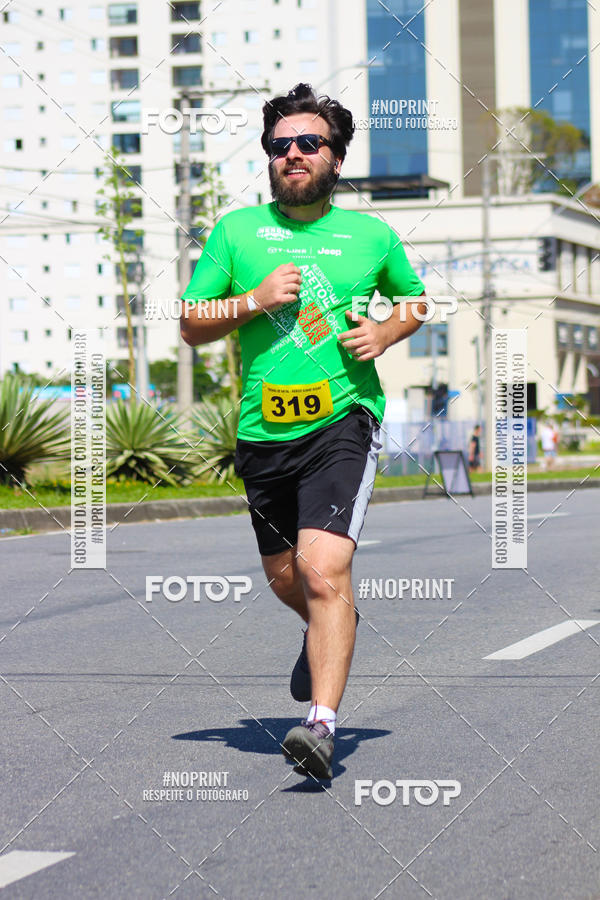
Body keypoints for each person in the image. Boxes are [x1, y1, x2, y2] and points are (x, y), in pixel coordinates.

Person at [180, 83, 426, 780]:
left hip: (343, 418)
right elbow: (191, 324)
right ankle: (329, 621)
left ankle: (320, 725)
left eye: (309, 143)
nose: (293, 153)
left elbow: (415, 301)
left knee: (324, 569)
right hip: (263, 429)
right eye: (280, 144)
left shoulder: (370, 236)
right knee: (287, 577)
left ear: (335, 159)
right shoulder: (236, 232)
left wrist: (386, 331)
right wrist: (253, 300)